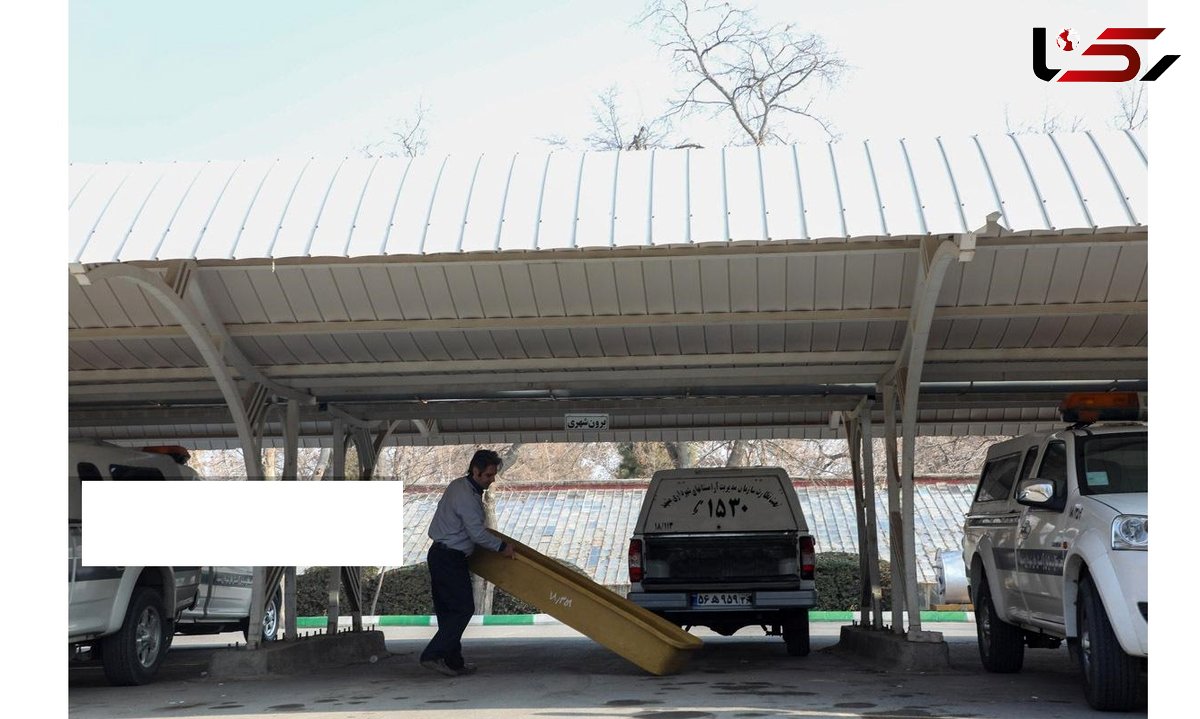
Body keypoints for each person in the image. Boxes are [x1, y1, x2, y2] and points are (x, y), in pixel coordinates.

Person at [419, 449, 515, 677]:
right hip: (449, 557)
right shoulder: (466, 496)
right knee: (464, 608)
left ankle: (453, 662)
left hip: (442, 554)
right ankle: (432, 655)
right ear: (476, 470)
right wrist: (502, 548)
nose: (492, 480)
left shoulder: (459, 486)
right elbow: (477, 534)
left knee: (448, 612)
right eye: (489, 475)